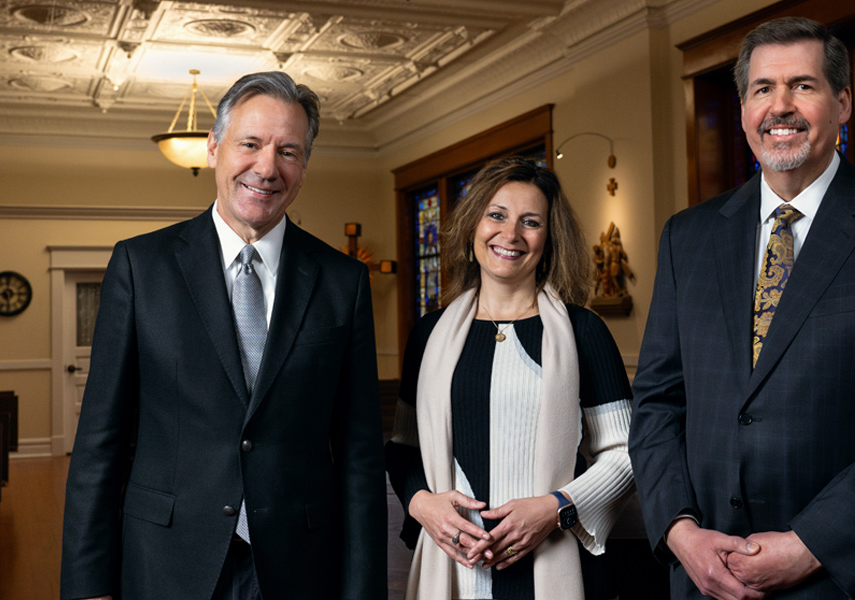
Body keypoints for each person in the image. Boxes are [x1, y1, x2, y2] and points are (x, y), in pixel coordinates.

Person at [629, 17, 855, 600]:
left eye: (803, 86)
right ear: (743, 108)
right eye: (763, 89)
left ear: (842, 104)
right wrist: (680, 531)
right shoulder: (686, 237)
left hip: (844, 578)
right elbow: (659, 400)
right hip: (702, 574)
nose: (780, 107)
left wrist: (811, 543)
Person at [60, 71, 385, 600]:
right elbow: (101, 442)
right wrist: (88, 584)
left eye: (288, 151)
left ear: (304, 168)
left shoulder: (342, 282)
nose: (266, 167)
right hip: (166, 558)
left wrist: (364, 589)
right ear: (214, 148)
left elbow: (360, 453)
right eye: (250, 144)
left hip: (300, 566)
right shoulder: (142, 266)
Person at [385, 156, 635, 600]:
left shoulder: (583, 332)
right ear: (472, 226)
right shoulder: (428, 334)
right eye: (496, 215)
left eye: (530, 222)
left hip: (551, 562)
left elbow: (627, 454)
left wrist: (556, 509)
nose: (510, 234)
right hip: (453, 565)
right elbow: (405, 450)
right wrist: (422, 505)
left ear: (550, 238)